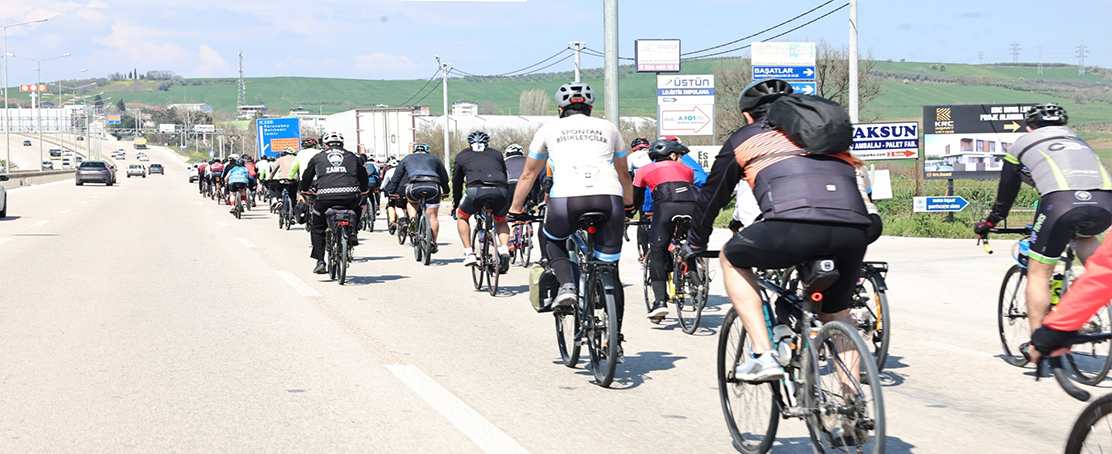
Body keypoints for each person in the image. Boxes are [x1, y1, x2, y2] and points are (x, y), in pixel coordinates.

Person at [684, 78, 874, 381]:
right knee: (837, 314)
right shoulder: (824, 135)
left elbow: (712, 197)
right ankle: (852, 411)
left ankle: (764, 354)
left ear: (749, 116)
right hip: (853, 229)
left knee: (731, 257)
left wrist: (695, 242)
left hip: (791, 225)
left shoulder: (745, 137)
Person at [507, 81, 635, 358]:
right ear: (590, 108)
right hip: (609, 198)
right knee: (610, 272)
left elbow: (529, 175)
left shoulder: (548, 129)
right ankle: (614, 340)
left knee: (551, 238)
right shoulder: (609, 128)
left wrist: (516, 209)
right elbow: (625, 174)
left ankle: (566, 285)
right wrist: (628, 206)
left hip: (567, 199)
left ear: (560, 109)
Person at [975, 103, 1112, 333]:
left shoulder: (1021, 144)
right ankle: (1088, 299)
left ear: (1029, 127)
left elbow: (1007, 192)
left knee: (1039, 273)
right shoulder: (1078, 140)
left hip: (1061, 204)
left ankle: (1037, 341)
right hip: (1105, 202)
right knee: (1086, 241)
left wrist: (990, 222)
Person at [633, 139, 700, 320]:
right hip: (693, 208)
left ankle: (660, 303)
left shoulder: (643, 170)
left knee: (657, 252)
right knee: (687, 242)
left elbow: (635, 200)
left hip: (664, 210)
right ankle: (695, 277)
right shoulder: (687, 170)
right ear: (672, 155)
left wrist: (627, 215)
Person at [1031, 238, 1112, 360]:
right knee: (1087, 240)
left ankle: (1035, 345)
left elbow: (1105, 274)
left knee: (1038, 274)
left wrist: (1056, 330)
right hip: (1099, 221)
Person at [299, 132, 368, 274]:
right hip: (350, 195)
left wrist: (305, 190)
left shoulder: (318, 157)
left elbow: (306, 177)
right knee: (357, 207)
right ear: (342, 144)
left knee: (318, 227)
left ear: (325, 145)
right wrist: (364, 190)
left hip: (325, 197)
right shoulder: (352, 157)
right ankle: (353, 230)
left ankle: (320, 261)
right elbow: (363, 176)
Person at [453, 131, 511, 269]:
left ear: (468, 144)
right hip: (500, 190)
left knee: (462, 217)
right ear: (488, 144)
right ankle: (504, 248)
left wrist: (456, 202)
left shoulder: (462, 155)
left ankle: (469, 253)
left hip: (475, 191)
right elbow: (504, 174)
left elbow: (456, 181)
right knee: (501, 220)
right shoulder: (497, 154)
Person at [384, 143, 450, 253]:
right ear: (428, 152)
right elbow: (444, 177)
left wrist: (392, 192)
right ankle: (433, 242)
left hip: (414, 186)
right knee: (433, 216)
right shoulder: (435, 159)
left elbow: (397, 177)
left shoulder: (407, 159)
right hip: (433, 186)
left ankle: (413, 218)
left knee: (411, 202)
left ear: (414, 152)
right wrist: (446, 191)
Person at [380, 156, 405, 232]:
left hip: (394, 190)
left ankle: (392, 221)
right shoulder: (404, 170)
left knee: (391, 205)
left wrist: (381, 188)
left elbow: (385, 182)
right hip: (404, 189)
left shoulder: (389, 171)